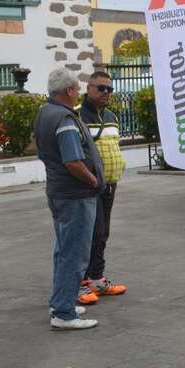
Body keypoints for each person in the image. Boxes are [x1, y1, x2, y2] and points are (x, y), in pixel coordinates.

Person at [34, 68, 104, 330]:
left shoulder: (45, 113)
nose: (79, 93)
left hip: (60, 191)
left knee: (64, 250)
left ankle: (61, 301)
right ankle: (64, 314)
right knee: (74, 253)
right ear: (69, 91)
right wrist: (93, 179)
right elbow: (72, 160)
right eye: (77, 89)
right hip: (75, 194)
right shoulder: (64, 118)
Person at [76, 72, 127, 306]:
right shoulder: (77, 116)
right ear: (89, 89)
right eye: (101, 88)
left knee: (102, 233)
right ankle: (79, 282)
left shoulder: (111, 116)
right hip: (88, 185)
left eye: (109, 89)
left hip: (109, 184)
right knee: (86, 235)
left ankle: (96, 278)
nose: (106, 93)